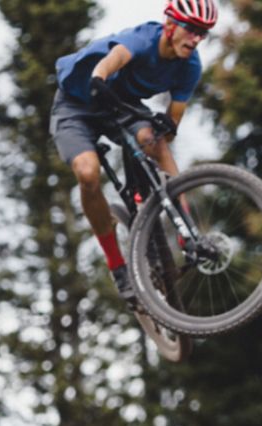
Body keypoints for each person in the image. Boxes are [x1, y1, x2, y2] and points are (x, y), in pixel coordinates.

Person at [49, 0, 218, 305]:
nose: (196, 39)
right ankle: (117, 265)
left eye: (203, 33)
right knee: (87, 172)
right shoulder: (142, 40)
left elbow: (171, 121)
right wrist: (98, 80)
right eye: (191, 29)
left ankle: (186, 231)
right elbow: (112, 61)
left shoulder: (190, 67)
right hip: (76, 102)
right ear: (170, 26)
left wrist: (164, 129)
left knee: (156, 143)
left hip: (120, 104)